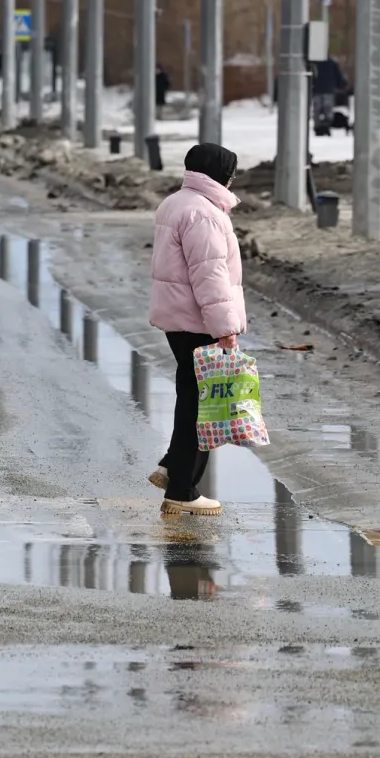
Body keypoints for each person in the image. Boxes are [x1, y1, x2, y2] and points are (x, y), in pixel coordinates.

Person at [147, 143, 246, 516]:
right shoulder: (203, 213)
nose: (233, 179)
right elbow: (210, 275)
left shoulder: (177, 202)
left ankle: (173, 467)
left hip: (180, 319)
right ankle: (183, 490)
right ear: (218, 173)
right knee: (204, 405)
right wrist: (226, 328)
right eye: (231, 172)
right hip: (199, 320)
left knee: (192, 394)